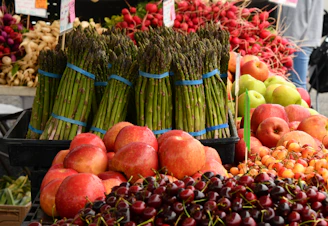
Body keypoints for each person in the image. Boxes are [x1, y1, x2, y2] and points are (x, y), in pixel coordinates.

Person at [280, 0, 324, 89]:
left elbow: (296, 16)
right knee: (296, 84)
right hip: (302, 38)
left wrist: (289, 43)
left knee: (297, 85)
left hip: (298, 41)